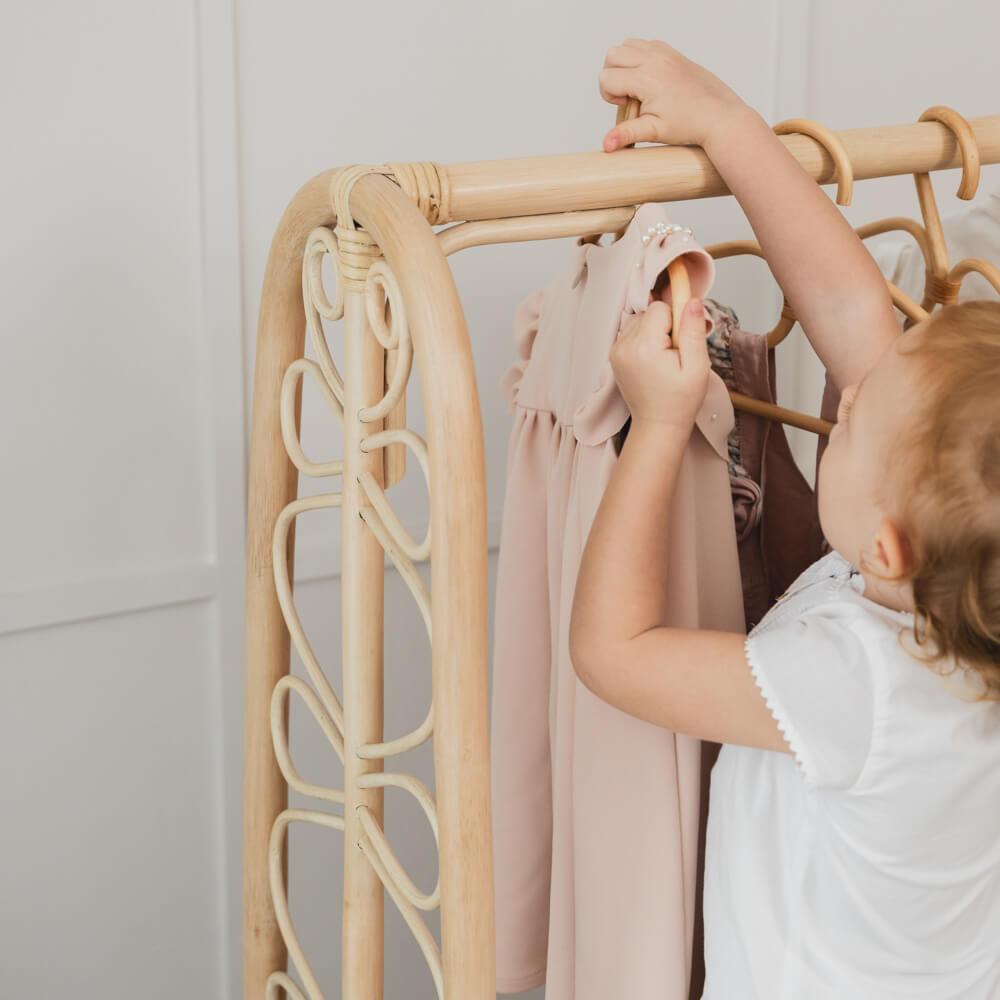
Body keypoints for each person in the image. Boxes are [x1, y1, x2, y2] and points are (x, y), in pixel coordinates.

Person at [569, 37, 1000, 999]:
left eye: (853, 419)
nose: (848, 392)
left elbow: (613, 651)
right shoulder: (951, 601)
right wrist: (728, 125)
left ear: (887, 547)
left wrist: (661, 425)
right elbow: (850, 306)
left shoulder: (862, 690)